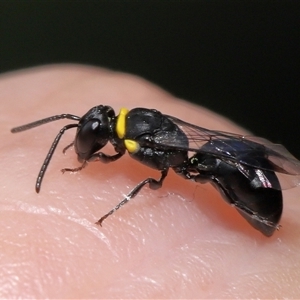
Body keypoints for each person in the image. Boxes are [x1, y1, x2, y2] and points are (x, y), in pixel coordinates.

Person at [1, 65, 300, 298]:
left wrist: (116, 204)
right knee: (211, 170)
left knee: (212, 174)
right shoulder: (132, 130)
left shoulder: (138, 137)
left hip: (234, 165)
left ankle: (253, 210)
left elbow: (150, 172)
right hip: (219, 152)